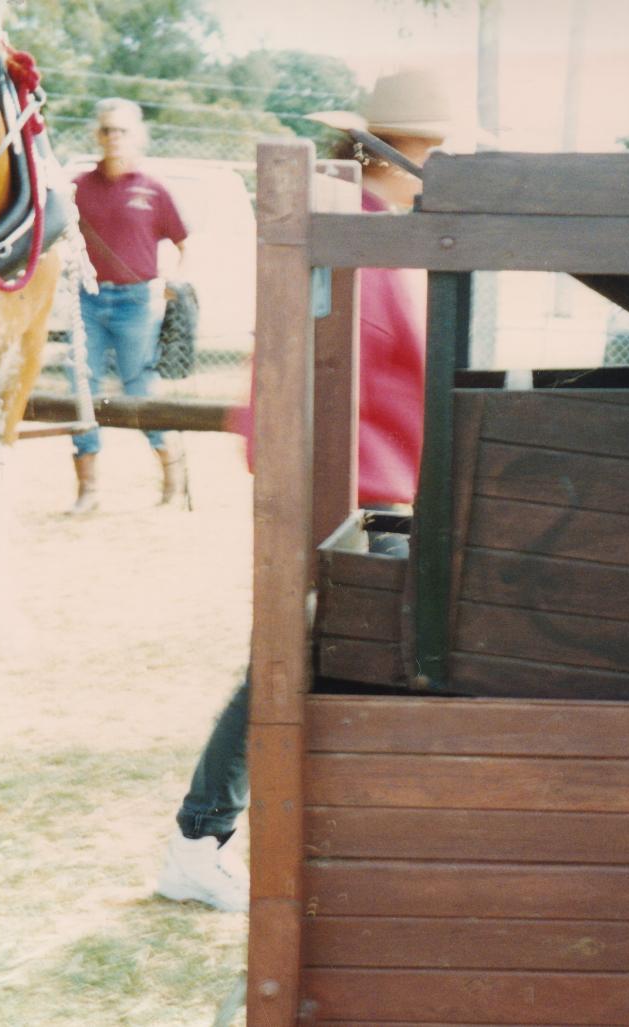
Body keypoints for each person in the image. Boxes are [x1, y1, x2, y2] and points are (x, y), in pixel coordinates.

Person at [154, 68, 454, 910]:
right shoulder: (366, 239)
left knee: (292, 668)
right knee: (295, 669)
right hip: (354, 497)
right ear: (408, 157)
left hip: (358, 494)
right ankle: (200, 840)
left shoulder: (366, 229)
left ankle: (203, 839)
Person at [67, 97, 190, 514]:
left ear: (137, 136)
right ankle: (88, 491)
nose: (113, 138)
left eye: (121, 130)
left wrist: (173, 283)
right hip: (86, 299)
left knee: (139, 390)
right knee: (81, 386)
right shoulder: (78, 188)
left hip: (136, 302)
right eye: (106, 130)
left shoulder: (153, 190)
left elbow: (183, 243)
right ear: (96, 135)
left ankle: (173, 485)